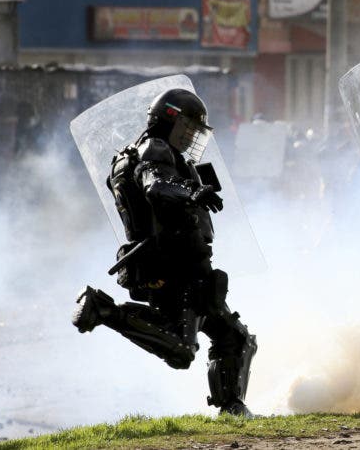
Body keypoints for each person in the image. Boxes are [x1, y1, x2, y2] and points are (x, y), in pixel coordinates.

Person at [71, 88, 257, 417]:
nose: (189, 137)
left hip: (189, 265)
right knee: (181, 349)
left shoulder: (156, 152)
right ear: (166, 121)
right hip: (173, 268)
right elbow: (156, 185)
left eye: (194, 132)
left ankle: (232, 409)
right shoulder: (153, 149)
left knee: (236, 338)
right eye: (186, 128)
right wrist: (193, 190)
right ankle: (105, 310)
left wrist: (194, 186)